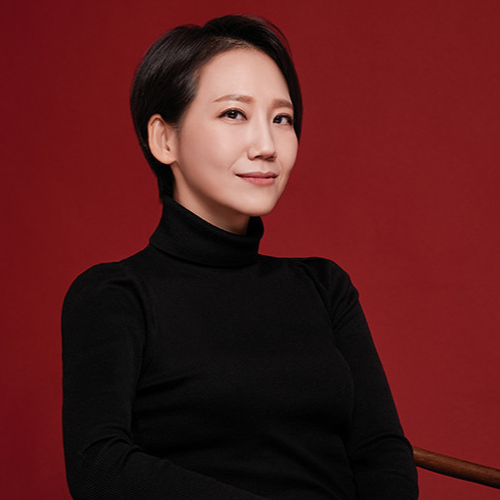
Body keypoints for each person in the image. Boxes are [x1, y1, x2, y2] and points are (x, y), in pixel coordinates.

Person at [62, 14, 419, 500]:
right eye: (234, 114)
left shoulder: (323, 287)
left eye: (282, 119)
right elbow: (99, 466)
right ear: (164, 138)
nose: (267, 146)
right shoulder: (116, 294)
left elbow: (382, 452)